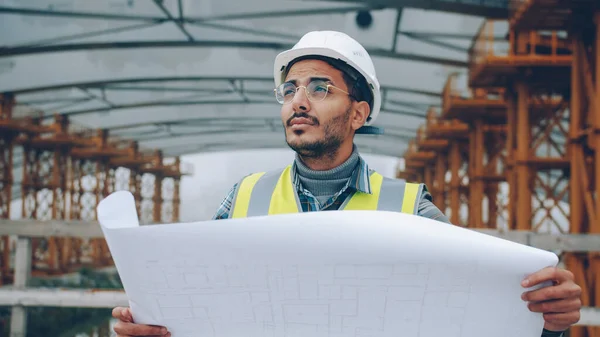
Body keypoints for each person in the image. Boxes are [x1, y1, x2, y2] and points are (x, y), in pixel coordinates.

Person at [111, 31, 581, 337]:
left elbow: (470, 308)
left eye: (319, 88)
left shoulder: (410, 206)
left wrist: (548, 320)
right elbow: (195, 306)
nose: (298, 101)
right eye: (290, 89)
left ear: (359, 113)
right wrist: (148, 325)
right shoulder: (243, 197)